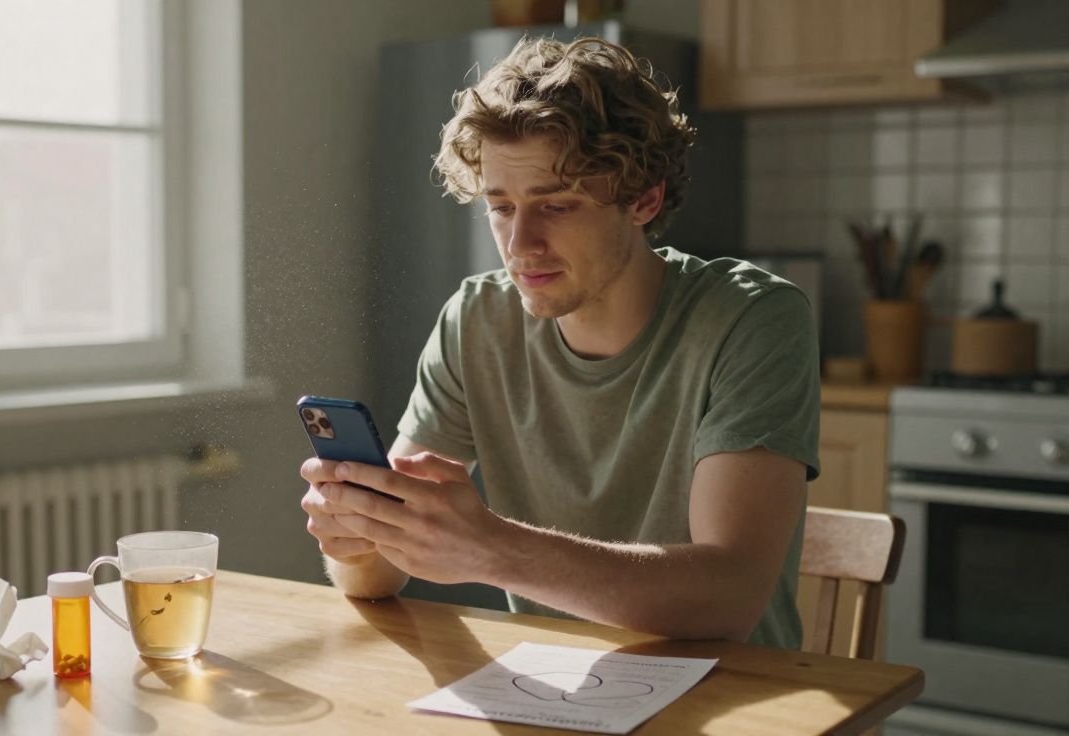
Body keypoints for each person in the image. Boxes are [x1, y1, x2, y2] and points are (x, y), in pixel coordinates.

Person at [300, 36, 819, 649]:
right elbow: (377, 576)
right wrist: (356, 536)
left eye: (558, 206)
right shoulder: (477, 320)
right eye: (501, 207)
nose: (521, 243)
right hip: (558, 691)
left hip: (733, 695)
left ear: (644, 199)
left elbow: (728, 597)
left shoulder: (752, 319)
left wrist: (493, 550)